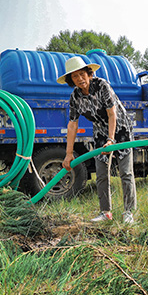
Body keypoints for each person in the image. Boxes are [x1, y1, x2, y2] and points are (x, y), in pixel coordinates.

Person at [59, 56, 137, 223]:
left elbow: (111, 113)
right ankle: (105, 213)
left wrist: (112, 139)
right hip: (100, 132)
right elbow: (72, 124)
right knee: (101, 173)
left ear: (89, 73)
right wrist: (68, 153)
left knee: (126, 172)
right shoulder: (75, 97)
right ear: (71, 80)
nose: (80, 79)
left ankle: (129, 213)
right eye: (75, 76)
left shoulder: (102, 85)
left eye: (82, 74)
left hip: (120, 128)